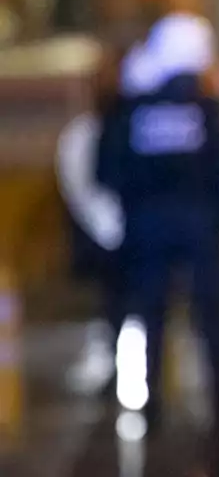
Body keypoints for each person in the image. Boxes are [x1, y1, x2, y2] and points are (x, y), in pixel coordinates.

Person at [96, 13, 219, 433]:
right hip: (204, 230)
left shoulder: (131, 111)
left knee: (152, 318)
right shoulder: (210, 110)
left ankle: (152, 408)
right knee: (214, 322)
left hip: (148, 232)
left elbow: (108, 171)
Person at [57, 42, 160, 395]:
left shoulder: (133, 124)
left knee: (149, 307)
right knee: (116, 305)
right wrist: (109, 229)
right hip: (121, 234)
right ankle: (126, 374)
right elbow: (88, 183)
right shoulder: (88, 133)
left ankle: (153, 381)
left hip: (141, 231)